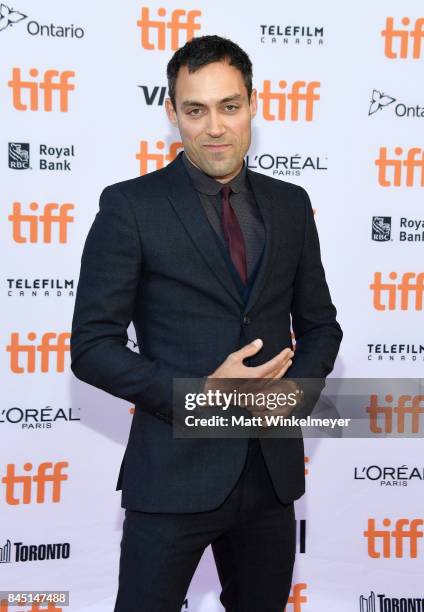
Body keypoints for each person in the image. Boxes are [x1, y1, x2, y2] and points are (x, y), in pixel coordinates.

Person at [71, 35, 342, 612]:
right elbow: (92, 347)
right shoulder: (130, 206)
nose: (214, 127)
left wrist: (292, 396)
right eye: (195, 110)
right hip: (173, 472)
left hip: (270, 477)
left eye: (229, 106)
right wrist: (200, 396)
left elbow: (321, 326)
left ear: (253, 104)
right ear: (172, 113)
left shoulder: (291, 204)